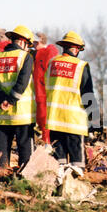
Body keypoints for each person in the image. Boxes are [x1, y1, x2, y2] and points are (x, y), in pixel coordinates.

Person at [0, 25, 36, 170]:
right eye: (28, 45)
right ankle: (26, 179)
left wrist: (2, 99)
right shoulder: (26, 57)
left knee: (1, 150)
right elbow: (22, 82)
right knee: (25, 150)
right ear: (22, 42)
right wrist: (11, 101)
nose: (28, 49)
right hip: (22, 114)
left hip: (1, 114)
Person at [43, 31, 97, 169]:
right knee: (77, 163)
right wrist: (95, 118)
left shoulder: (51, 63)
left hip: (54, 120)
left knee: (58, 162)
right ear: (75, 48)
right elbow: (87, 94)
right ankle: (75, 187)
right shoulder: (81, 66)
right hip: (74, 122)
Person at [32, 32, 59, 145]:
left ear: (40, 41)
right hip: (38, 91)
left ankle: (48, 143)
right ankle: (46, 142)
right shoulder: (36, 54)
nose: (32, 44)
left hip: (45, 92)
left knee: (45, 118)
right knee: (41, 118)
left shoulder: (49, 52)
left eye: (35, 42)